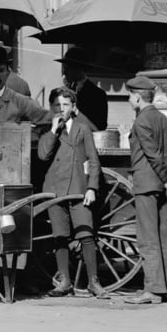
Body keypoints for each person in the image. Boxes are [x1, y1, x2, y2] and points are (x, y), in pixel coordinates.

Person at [38, 87, 107, 299]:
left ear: (73, 108)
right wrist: (52, 130)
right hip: (55, 190)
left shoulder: (82, 128)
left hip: (78, 189)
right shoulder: (45, 131)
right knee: (60, 237)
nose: (61, 109)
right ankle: (64, 281)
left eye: (66, 105)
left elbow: (93, 160)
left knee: (86, 235)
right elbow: (43, 155)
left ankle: (93, 282)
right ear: (51, 108)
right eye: (57, 105)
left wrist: (92, 188)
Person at [122, 76, 167, 305]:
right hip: (162, 188)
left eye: (130, 95)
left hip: (147, 185)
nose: (129, 99)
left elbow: (152, 155)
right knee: (162, 236)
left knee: (147, 238)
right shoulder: (164, 120)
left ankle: (152, 290)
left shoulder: (141, 122)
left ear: (137, 97)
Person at [0, 42, 49, 124]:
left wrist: (31, 134)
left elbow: (49, 119)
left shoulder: (20, 102)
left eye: (1, 70)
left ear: (7, 72)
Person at [55, 45, 108, 131]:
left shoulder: (98, 95)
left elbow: (99, 128)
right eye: (64, 68)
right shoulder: (62, 91)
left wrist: (75, 112)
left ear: (78, 68)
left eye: (67, 68)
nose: (64, 72)